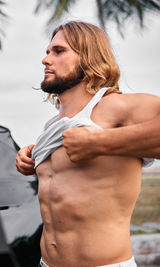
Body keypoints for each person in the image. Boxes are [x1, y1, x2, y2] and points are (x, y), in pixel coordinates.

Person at [15, 21, 160, 267]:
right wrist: (31, 156)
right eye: (47, 51)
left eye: (59, 51)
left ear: (88, 57)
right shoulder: (51, 128)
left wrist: (101, 141)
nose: (46, 59)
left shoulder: (116, 106)